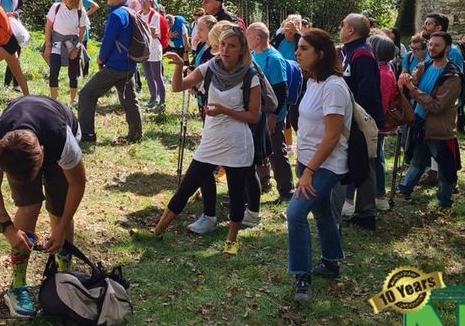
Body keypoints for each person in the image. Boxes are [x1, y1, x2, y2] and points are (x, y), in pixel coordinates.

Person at [132, 26, 261, 256]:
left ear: (242, 49)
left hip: (237, 142)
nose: (225, 50)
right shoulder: (210, 67)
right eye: (222, 45)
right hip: (211, 141)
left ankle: (231, 242)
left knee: (236, 193)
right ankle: (157, 231)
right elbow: (178, 87)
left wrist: (223, 110)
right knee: (187, 186)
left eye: (232, 46)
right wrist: (179, 66)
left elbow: (253, 116)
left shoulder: (250, 75)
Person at [0, 95, 86, 318]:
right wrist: (8, 229)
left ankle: (63, 275)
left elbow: (77, 184)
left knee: (59, 210)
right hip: (22, 144)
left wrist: (61, 229)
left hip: (57, 129)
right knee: (28, 206)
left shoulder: (61, 139)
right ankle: (17, 286)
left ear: (43, 152)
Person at [287, 28, 351, 303]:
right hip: (308, 160)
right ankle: (331, 261)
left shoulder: (333, 87)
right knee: (323, 212)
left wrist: (310, 171)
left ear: (321, 54)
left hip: (326, 164)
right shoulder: (313, 80)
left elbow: (333, 136)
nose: (297, 53)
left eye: (304, 49)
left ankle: (302, 276)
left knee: (295, 213)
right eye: (298, 48)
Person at [397, 32, 462, 208]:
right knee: (417, 161)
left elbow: (436, 106)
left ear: (447, 48)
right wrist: (406, 80)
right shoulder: (424, 66)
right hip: (420, 124)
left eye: (437, 45)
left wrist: (412, 89)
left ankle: (445, 202)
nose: (432, 48)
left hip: (439, 130)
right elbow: (413, 85)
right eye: (431, 45)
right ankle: (404, 190)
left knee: (445, 168)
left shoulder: (452, 77)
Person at [77, 0, 143, 145]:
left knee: (86, 94)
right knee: (130, 100)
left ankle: (87, 134)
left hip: (115, 67)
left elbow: (108, 40)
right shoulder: (130, 12)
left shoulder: (116, 15)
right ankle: (136, 135)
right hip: (130, 66)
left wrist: (101, 59)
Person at [338, 13, 385, 230]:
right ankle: (359, 209)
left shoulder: (362, 55)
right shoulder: (350, 52)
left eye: (343, 25)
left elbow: (367, 91)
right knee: (357, 162)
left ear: (350, 30)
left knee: (365, 163)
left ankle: (366, 214)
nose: (340, 28)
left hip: (361, 119)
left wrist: (355, 117)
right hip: (351, 117)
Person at [247, 22, 293, 204]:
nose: (246, 39)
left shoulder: (274, 59)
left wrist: (274, 115)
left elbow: (281, 90)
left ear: (257, 38)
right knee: (258, 149)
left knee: (276, 152)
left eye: (248, 36)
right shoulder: (253, 55)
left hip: (272, 116)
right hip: (256, 114)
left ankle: (287, 190)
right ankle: (263, 182)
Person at [44, 0, 90, 105]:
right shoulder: (56, 7)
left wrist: (77, 47)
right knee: (54, 70)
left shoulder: (80, 11)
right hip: (56, 41)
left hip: (72, 43)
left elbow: (82, 30)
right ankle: (54, 100)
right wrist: (48, 45)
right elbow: (48, 26)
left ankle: (73, 99)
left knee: (73, 72)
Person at [369, 34, 399, 211]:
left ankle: (380, 195)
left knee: (376, 158)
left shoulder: (384, 74)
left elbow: (382, 103)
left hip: (377, 123)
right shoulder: (381, 70)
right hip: (375, 122)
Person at [55, 0, 100, 76]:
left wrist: (83, 17)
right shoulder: (59, 1)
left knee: (83, 51)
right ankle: (76, 75)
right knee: (72, 54)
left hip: (81, 31)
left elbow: (95, 6)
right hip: (68, 33)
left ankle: (85, 74)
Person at [138, 0, 166, 110]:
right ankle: (153, 97)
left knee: (157, 76)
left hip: (154, 49)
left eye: (146, 1)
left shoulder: (154, 15)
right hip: (144, 48)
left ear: (151, 2)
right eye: (141, 0)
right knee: (148, 75)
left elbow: (153, 33)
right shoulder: (139, 14)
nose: (143, 3)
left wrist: (143, 29)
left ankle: (162, 101)